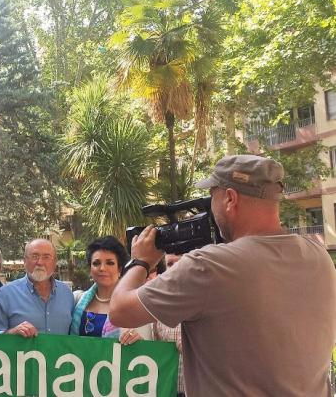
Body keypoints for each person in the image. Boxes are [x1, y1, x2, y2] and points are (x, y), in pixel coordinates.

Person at [110, 154, 336, 396]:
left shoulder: (210, 266)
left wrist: (140, 260)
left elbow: (120, 311)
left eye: (212, 198)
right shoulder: (318, 256)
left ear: (230, 198)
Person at [70, 236, 148, 344]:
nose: (102, 268)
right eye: (96, 263)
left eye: (110, 263)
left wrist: (138, 340)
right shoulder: (76, 300)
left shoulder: (133, 305)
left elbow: (147, 350)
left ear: (120, 269)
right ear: (90, 270)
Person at [0, 238, 73, 336]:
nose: (40, 262)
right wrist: (12, 333)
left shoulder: (67, 294)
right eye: (34, 256)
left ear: (54, 262)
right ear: (25, 261)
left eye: (46, 257)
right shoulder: (5, 294)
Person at [150, 254, 185, 397]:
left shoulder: (213, 299)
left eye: (182, 261)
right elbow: (155, 350)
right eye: (170, 263)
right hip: (168, 389)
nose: (176, 267)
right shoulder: (158, 304)